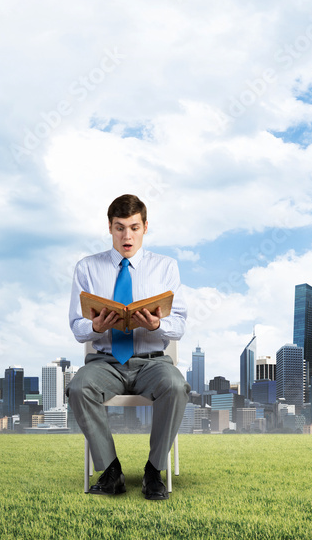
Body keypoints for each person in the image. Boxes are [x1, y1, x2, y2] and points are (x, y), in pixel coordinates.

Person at [67, 194, 189, 500]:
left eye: (134, 227)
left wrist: (157, 325)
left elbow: (181, 324)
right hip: (105, 363)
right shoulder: (87, 268)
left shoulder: (165, 267)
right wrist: (95, 326)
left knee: (176, 386)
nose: (127, 236)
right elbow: (76, 327)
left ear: (146, 227)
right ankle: (111, 471)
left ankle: (154, 471)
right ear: (109, 227)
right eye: (120, 228)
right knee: (79, 388)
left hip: (153, 362)